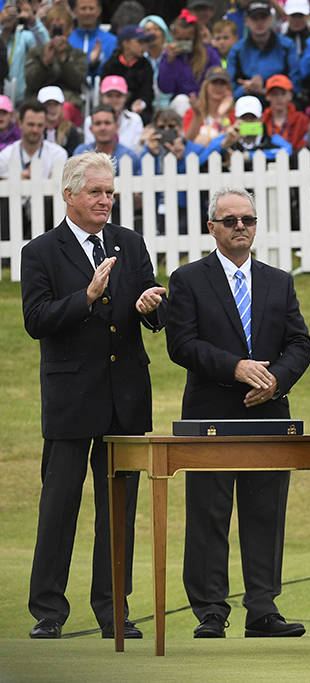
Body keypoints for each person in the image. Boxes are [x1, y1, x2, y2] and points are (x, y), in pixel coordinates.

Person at [20, 151, 165, 640]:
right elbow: (36, 320)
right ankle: (48, 611)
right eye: (96, 192)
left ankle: (113, 610)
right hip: (70, 400)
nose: (105, 200)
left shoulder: (130, 243)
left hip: (124, 398)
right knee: (59, 506)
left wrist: (151, 305)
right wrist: (84, 297)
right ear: (69, 195)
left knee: (118, 510)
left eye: (109, 192)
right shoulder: (40, 252)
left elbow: (153, 311)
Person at [165, 187, 310, 639]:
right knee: (209, 512)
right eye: (230, 221)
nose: (240, 228)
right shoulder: (188, 279)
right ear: (212, 227)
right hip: (211, 412)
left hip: (268, 414)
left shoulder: (278, 281)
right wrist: (236, 368)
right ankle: (210, 610)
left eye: (247, 220)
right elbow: (181, 345)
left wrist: (276, 381)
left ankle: (263, 608)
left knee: (265, 511)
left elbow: (300, 343)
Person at [227, 0, 301, 99]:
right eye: (254, 18)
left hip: (279, 100)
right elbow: (229, 89)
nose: (259, 22)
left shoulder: (287, 45)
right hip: (247, 101)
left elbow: (296, 84)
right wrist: (245, 88)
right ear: (247, 20)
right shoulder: (237, 50)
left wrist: (270, 90)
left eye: (263, 17)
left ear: (270, 18)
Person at [23, 5, 87, 114]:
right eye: (54, 28)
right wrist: (44, 63)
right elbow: (30, 82)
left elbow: (77, 83)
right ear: (47, 28)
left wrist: (64, 59)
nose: (57, 33)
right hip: (37, 101)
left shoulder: (78, 55)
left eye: (61, 28)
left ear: (70, 28)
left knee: (66, 109)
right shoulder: (35, 52)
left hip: (67, 101)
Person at [159, 9, 222, 99]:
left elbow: (217, 81)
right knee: (181, 100)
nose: (183, 42)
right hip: (180, 101)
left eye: (187, 39)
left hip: (205, 100)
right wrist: (169, 63)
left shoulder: (209, 53)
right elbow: (166, 89)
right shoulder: (169, 56)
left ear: (195, 37)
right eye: (179, 39)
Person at [0, 99, 67, 182]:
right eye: (31, 124)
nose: (35, 130)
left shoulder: (58, 154)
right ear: (20, 124)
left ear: (45, 125)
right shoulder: (5, 155)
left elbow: (57, 188)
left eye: (40, 125)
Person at [100, 26, 155, 123]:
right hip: (113, 106)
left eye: (145, 42)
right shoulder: (111, 65)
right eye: (140, 42)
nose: (144, 46)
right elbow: (104, 91)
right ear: (126, 44)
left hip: (139, 111)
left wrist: (141, 103)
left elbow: (148, 92)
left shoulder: (146, 65)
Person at [0, 0, 50, 106]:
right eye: (5, 9)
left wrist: (33, 21)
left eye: (12, 10)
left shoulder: (24, 37)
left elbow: (47, 46)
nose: (8, 14)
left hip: (20, 101)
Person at [83, 76, 145, 153]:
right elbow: (90, 151)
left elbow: (137, 153)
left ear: (125, 97)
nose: (114, 100)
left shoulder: (135, 119)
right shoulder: (90, 120)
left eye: (118, 96)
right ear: (101, 96)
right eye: (109, 95)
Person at [73, 105, 141, 175]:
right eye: (98, 123)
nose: (103, 128)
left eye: (107, 123)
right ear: (91, 129)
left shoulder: (129, 156)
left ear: (116, 127)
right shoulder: (80, 153)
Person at [184, 66, 236, 146]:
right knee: (202, 139)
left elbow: (232, 139)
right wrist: (197, 115)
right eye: (214, 82)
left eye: (222, 83)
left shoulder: (234, 114)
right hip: (198, 156)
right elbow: (188, 141)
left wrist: (223, 115)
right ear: (206, 86)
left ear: (228, 87)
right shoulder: (191, 112)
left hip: (224, 155)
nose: (218, 87)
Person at [68, 0, 117, 80]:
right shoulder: (67, 40)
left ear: (99, 10)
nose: (87, 13)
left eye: (91, 8)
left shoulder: (112, 41)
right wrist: (89, 62)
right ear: (74, 11)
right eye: (83, 8)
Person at [262, 74, 309, 152]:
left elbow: (304, 145)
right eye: (274, 94)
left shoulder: (302, 120)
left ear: (290, 96)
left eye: (283, 93)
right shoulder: (262, 119)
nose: (279, 98)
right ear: (267, 96)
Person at [37, 86, 82, 156]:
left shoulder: (70, 130)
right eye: (48, 104)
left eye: (56, 104)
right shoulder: (34, 129)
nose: (52, 108)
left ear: (62, 106)